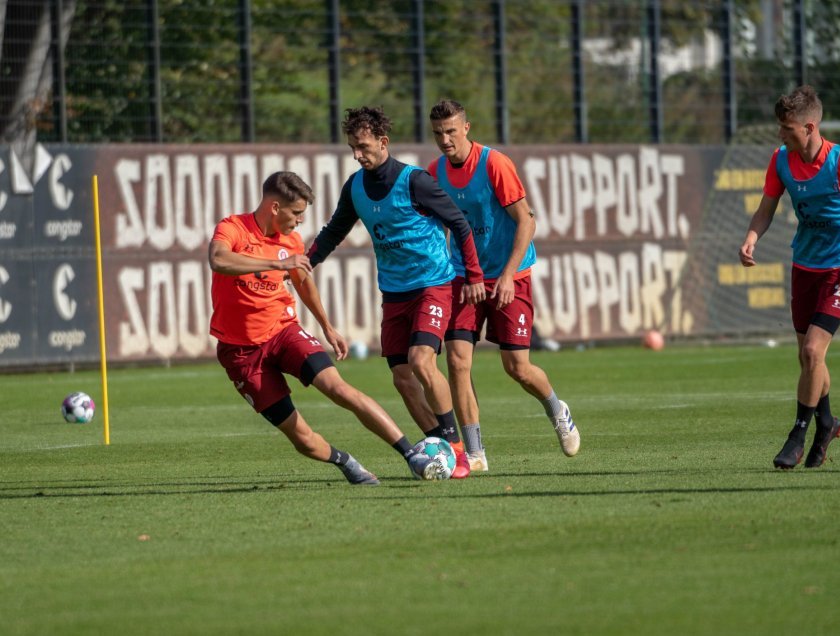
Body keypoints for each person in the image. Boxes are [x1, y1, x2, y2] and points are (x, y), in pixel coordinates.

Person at [209, 171, 449, 484]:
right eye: (296, 213)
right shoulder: (233, 228)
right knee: (303, 439)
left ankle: (411, 454)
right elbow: (218, 260)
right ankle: (347, 463)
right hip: (241, 353)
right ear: (275, 208)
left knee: (339, 389)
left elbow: (304, 284)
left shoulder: (292, 241)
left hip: (284, 333)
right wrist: (278, 264)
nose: (299, 222)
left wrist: (327, 327)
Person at [307, 106, 486, 479]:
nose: (357, 154)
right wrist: (306, 262)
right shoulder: (355, 187)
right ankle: (442, 450)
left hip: (433, 285)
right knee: (402, 378)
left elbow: (459, 224)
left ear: (383, 142)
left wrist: (472, 276)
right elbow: (334, 231)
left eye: (363, 146)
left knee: (422, 361)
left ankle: (457, 449)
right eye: (353, 148)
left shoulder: (415, 181)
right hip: (394, 293)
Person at [426, 99, 580, 472]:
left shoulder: (494, 164)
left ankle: (557, 408)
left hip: (511, 273)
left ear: (466, 128)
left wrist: (509, 275)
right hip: (464, 275)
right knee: (458, 362)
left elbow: (527, 221)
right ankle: (475, 453)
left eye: (451, 131)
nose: (445, 140)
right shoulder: (434, 172)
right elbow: (437, 228)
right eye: (438, 134)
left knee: (517, 367)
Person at [738, 85, 840, 469]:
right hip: (805, 267)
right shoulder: (782, 160)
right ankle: (829, 422)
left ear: (810, 127)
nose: (781, 134)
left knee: (813, 351)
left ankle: (798, 434)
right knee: (809, 359)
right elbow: (766, 208)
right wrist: (752, 237)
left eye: (787, 128)